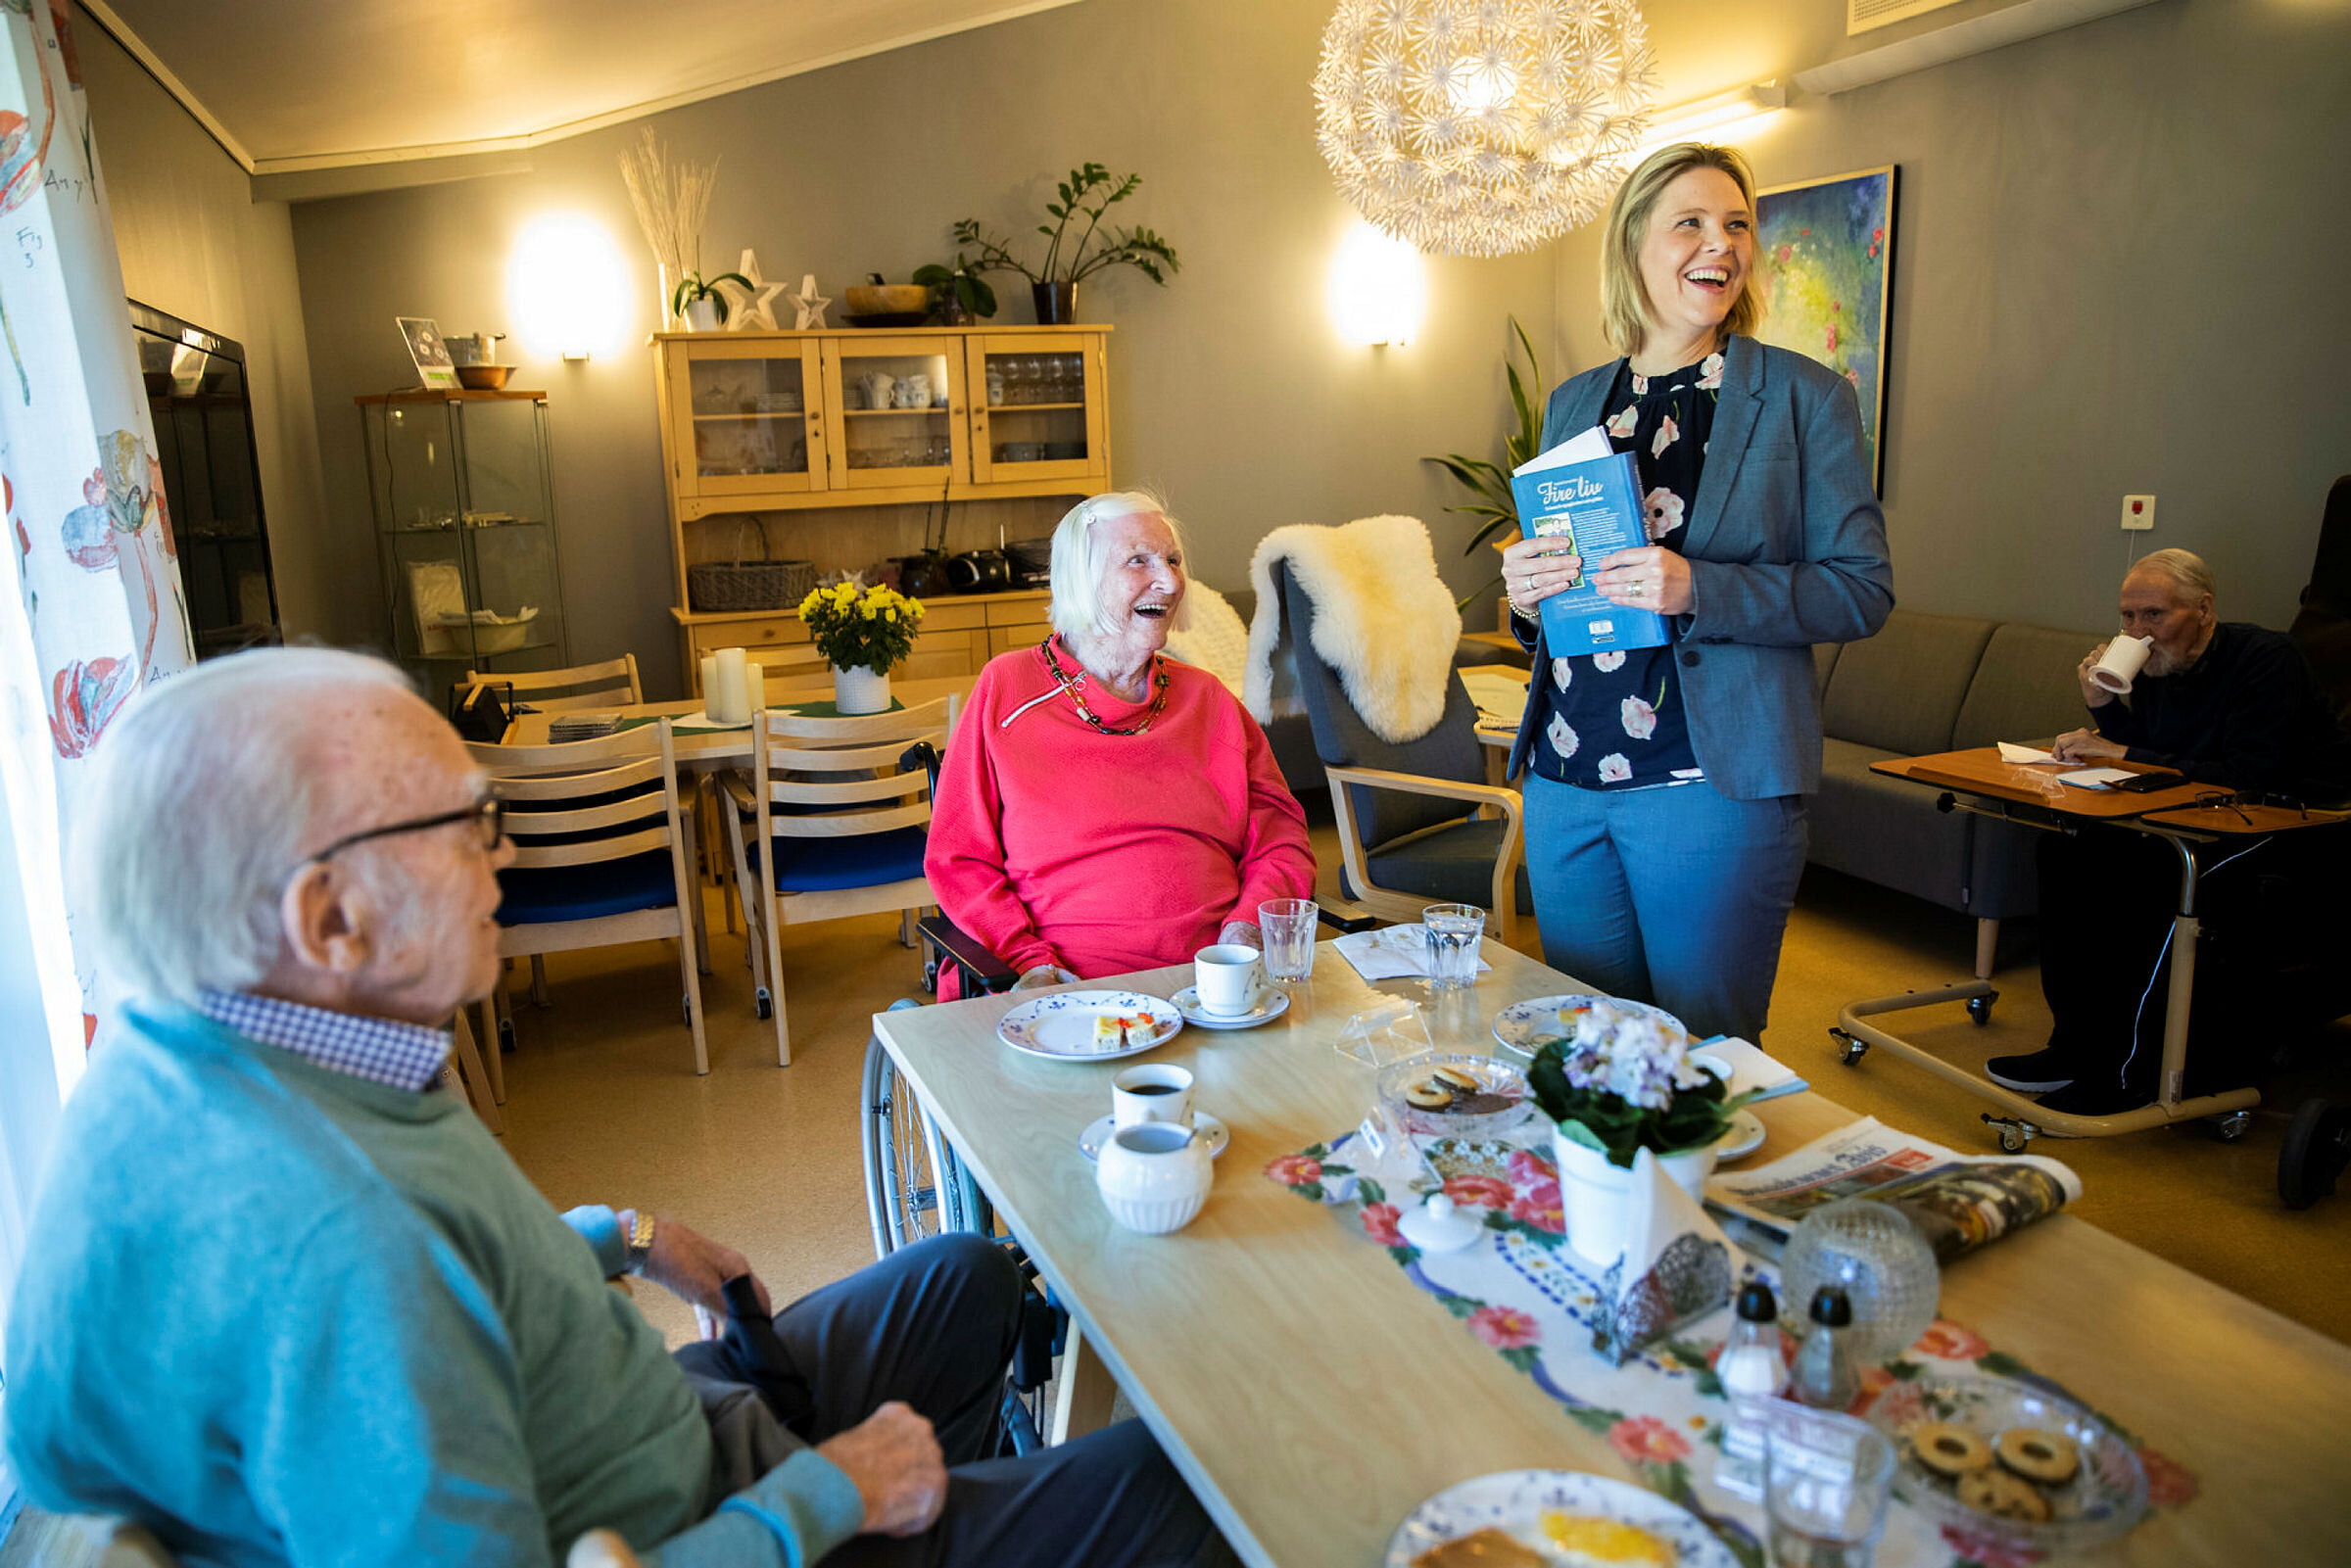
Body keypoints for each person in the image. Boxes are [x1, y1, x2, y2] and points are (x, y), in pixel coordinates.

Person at [2, 648, 1221, 1568]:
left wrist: (616, 1238)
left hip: (663, 1430)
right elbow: (397, 1288)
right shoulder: (341, 1246)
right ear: (329, 917)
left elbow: (450, 1276)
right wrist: (827, 1496)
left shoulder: (191, 1045)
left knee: (966, 1275)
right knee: (1197, 1482)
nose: (510, 856)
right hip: (713, 1521)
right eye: (469, 824)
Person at [1500, 142, 1894, 1043]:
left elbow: (1862, 590)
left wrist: (1699, 587)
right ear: (1635, 242)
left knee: (1702, 1060)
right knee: (1584, 1052)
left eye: (1737, 224)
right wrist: (1528, 594)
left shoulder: (1806, 398)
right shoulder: (1573, 403)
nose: (1719, 243)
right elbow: (1566, 590)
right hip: (1566, 776)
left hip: (1708, 784)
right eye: (1691, 222)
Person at [1994, 549, 2351, 1114]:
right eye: (2128, 618)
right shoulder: (2159, 664)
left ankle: (2128, 1074)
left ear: (2204, 610)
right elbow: (2162, 755)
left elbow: (2246, 772)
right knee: (2065, 852)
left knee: (2154, 877)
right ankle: (2073, 1048)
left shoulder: (2266, 659)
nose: (2138, 632)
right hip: (2198, 813)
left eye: (2153, 616)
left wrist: (2120, 748)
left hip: (2293, 821)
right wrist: (2104, 708)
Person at [926, 491, 1316, 991]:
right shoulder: (1006, 690)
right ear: (1081, 580)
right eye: (1139, 560)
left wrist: (1247, 931)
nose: (1171, 581)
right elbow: (960, 859)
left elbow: (1281, 837)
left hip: (1213, 988)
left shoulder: (1209, 701)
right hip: (1067, 989)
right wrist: (1028, 962)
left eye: (1173, 560)